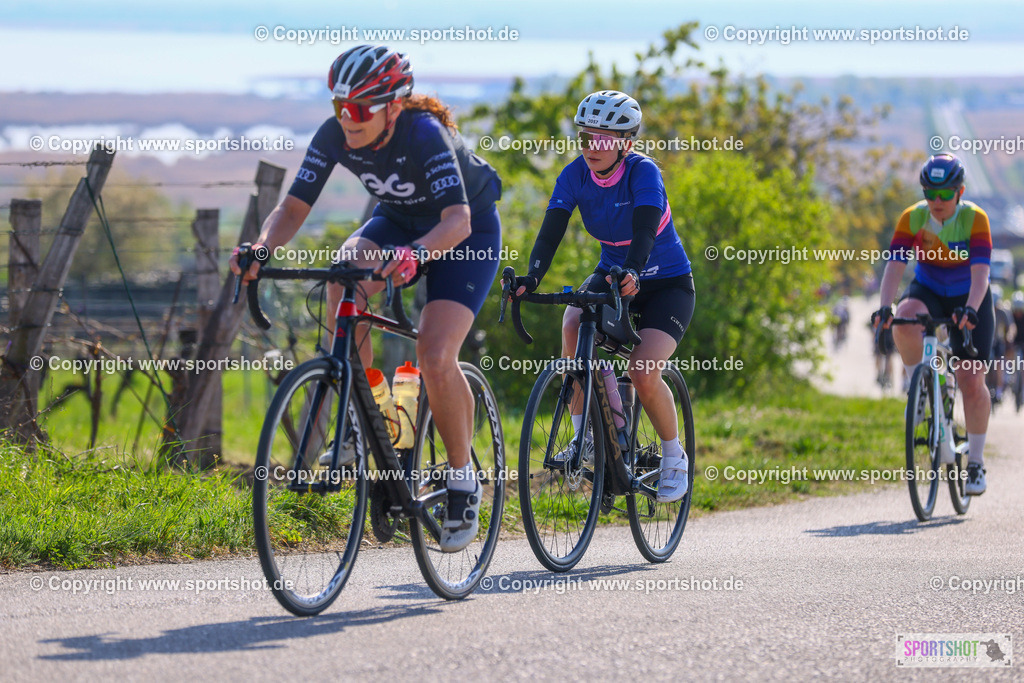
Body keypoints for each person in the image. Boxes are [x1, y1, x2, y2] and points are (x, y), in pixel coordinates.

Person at [230, 45, 502, 552]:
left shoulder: (425, 133)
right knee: (341, 280)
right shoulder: (335, 134)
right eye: (339, 106)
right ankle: (364, 419)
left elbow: (458, 221)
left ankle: (463, 481)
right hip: (397, 223)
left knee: (435, 356)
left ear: (393, 107)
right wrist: (261, 248)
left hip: (465, 233)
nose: (347, 118)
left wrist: (416, 255)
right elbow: (292, 208)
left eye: (359, 108)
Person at [514, 90, 695, 503]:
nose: (591, 146)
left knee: (643, 371)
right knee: (572, 323)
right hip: (613, 274)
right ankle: (587, 438)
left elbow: (646, 229)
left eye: (602, 139)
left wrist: (634, 270)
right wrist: (532, 277)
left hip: (666, 283)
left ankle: (674, 456)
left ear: (625, 143)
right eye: (584, 137)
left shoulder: (643, 172)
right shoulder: (574, 175)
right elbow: (551, 231)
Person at [873, 153, 994, 495]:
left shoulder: (975, 219)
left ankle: (975, 463)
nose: (937, 201)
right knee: (904, 318)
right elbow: (895, 266)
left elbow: (981, 275)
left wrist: (970, 310)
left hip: (969, 295)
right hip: (929, 289)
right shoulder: (913, 217)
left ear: (960, 191)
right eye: (930, 193)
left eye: (945, 194)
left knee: (971, 378)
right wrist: (884, 307)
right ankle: (920, 389)